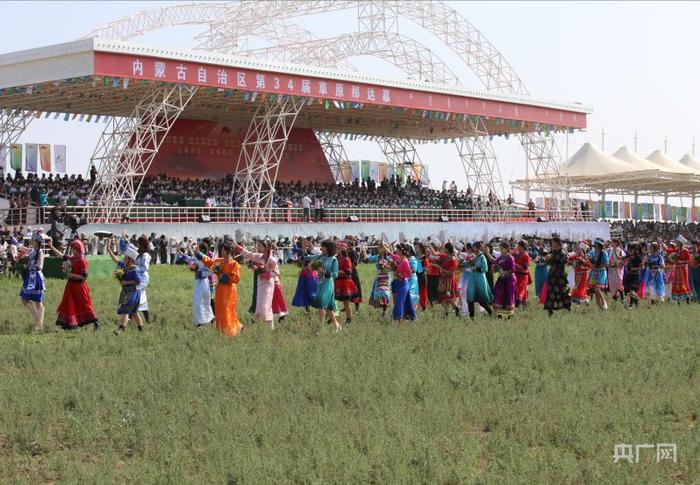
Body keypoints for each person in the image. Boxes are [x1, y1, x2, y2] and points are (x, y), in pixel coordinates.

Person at [47, 239, 99, 330]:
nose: (72, 250)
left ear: (78, 249)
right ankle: (69, 324)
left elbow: (84, 277)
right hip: (70, 286)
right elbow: (62, 256)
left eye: (73, 249)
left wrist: (71, 274)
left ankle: (96, 323)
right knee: (68, 303)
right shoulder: (73, 258)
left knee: (84, 304)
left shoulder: (82, 260)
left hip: (79, 287)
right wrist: (52, 247)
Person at [199, 241, 242, 336]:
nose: (221, 252)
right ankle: (221, 331)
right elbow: (210, 262)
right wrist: (200, 255)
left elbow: (236, 278)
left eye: (222, 250)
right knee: (220, 310)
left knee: (227, 310)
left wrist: (223, 276)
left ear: (227, 251)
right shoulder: (220, 261)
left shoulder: (234, 264)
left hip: (229, 291)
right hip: (220, 290)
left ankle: (230, 331)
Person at [237, 240, 280, 329]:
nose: (258, 247)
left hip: (268, 284)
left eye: (260, 246)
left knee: (265, 304)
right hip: (260, 284)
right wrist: (237, 246)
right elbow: (248, 254)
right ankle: (260, 325)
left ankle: (269, 326)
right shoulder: (259, 257)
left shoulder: (271, 259)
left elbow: (277, 273)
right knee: (260, 304)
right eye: (258, 245)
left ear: (266, 248)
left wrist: (267, 275)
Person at [177, 242, 215, 328]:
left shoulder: (206, 259)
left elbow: (211, 271)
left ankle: (207, 320)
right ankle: (202, 321)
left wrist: (201, 274)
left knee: (203, 302)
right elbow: (187, 258)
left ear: (201, 250)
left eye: (196, 247)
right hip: (197, 283)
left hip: (204, 283)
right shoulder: (195, 258)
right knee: (197, 302)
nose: (194, 248)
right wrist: (179, 251)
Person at [307, 240, 341, 331]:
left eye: (323, 247)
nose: (321, 249)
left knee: (322, 303)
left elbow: (335, 274)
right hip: (319, 280)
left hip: (328, 283)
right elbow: (309, 258)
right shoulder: (320, 257)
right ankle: (336, 325)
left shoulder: (334, 260)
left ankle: (320, 328)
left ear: (328, 248)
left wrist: (324, 271)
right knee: (328, 307)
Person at [114, 245, 144, 335]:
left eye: (125, 258)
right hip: (130, 293)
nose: (123, 259)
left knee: (126, 312)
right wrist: (108, 248)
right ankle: (141, 331)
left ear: (130, 260)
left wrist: (125, 283)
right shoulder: (125, 266)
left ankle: (121, 330)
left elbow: (138, 281)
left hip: (132, 293)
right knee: (134, 313)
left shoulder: (135, 270)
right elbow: (116, 260)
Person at [18, 231, 46, 330]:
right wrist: (13, 240)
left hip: (36, 277)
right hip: (30, 277)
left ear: (37, 241)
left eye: (33, 240)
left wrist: (29, 266)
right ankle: (38, 321)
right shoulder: (32, 250)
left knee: (39, 302)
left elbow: (40, 266)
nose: (31, 241)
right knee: (24, 299)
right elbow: (23, 248)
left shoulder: (40, 252)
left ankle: (39, 325)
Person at [543, 237, 572, 315]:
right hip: (552, 275)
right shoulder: (553, 252)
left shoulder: (562, 252)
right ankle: (550, 310)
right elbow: (550, 261)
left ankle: (568, 307)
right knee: (551, 292)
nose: (552, 244)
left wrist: (551, 260)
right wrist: (547, 260)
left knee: (563, 292)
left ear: (557, 243)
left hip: (560, 276)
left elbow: (561, 263)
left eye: (553, 242)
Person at [335, 245, 361, 325]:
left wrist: (336, 272)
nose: (337, 249)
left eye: (338, 248)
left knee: (346, 302)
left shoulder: (346, 259)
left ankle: (349, 320)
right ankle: (332, 316)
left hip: (345, 283)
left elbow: (348, 271)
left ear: (342, 249)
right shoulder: (336, 258)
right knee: (334, 300)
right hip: (338, 282)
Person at [390, 244, 417, 321]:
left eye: (398, 249)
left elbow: (409, 273)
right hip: (397, 283)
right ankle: (411, 317)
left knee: (399, 302)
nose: (396, 250)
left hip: (403, 284)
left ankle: (398, 318)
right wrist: (382, 245)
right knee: (407, 302)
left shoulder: (405, 261)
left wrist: (399, 275)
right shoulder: (398, 258)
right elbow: (390, 254)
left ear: (402, 251)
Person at [467, 241, 493, 319]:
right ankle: (471, 317)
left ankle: (491, 312)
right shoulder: (475, 257)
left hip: (480, 280)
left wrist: (476, 268)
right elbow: (470, 265)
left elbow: (485, 269)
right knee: (470, 297)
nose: (473, 248)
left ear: (478, 248)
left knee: (482, 300)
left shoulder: (482, 257)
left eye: (474, 247)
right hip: (473, 279)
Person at [291, 238, 318, 311]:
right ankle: (307, 305)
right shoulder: (300, 250)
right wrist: (294, 242)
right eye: (303, 242)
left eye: (305, 242)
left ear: (309, 243)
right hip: (303, 272)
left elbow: (310, 259)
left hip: (311, 273)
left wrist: (305, 249)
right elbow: (295, 249)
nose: (303, 244)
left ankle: (318, 303)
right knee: (303, 289)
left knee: (311, 289)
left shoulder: (312, 251)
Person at [367, 243, 392, 317]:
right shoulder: (377, 257)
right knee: (379, 292)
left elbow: (392, 265)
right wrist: (363, 250)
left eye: (380, 247)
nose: (378, 249)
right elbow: (367, 259)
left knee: (384, 292)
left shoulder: (388, 258)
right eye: (379, 247)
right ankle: (381, 307)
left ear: (384, 248)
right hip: (378, 277)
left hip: (386, 277)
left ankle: (385, 310)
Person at [493, 242, 516, 319]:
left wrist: (505, 273)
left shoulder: (510, 258)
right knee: (498, 294)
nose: (501, 250)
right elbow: (495, 264)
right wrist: (496, 268)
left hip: (509, 279)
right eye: (500, 249)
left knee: (509, 296)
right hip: (501, 279)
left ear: (506, 249)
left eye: (502, 248)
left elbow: (512, 269)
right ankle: (499, 315)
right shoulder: (500, 257)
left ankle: (509, 315)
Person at [436, 242, 459, 316]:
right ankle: (446, 313)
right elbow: (436, 258)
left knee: (447, 296)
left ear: (448, 249)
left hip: (449, 280)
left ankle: (456, 307)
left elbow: (451, 272)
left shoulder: (453, 259)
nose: (443, 249)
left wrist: (442, 269)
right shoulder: (443, 257)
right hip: (442, 279)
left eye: (445, 248)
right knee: (443, 297)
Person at [669, 236, 692, 304]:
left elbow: (689, 260)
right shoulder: (677, 250)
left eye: (677, 242)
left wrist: (681, 262)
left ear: (681, 243)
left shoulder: (685, 250)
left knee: (684, 283)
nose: (676, 243)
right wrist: (673, 260)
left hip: (683, 269)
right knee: (676, 283)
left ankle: (687, 298)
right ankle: (678, 299)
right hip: (676, 268)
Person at [588, 239, 609, 310]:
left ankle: (603, 301)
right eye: (595, 242)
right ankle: (601, 309)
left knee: (597, 289)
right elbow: (586, 256)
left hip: (601, 273)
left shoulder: (604, 253)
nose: (595, 244)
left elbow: (606, 263)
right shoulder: (593, 251)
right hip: (594, 273)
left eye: (597, 243)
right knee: (596, 293)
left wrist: (599, 266)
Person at [623, 243, 643, 308]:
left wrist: (634, 268)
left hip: (635, 276)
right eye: (630, 250)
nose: (630, 251)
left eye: (631, 250)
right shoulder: (629, 258)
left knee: (632, 290)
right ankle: (636, 304)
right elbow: (625, 263)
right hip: (629, 275)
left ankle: (631, 305)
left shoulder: (639, 258)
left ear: (636, 250)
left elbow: (642, 267)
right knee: (631, 292)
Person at [513, 241, 531, 309]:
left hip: (523, 276)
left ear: (522, 247)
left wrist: (514, 264)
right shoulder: (518, 254)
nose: (517, 247)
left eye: (519, 246)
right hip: (516, 275)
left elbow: (524, 267)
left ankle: (517, 305)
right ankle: (524, 305)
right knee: (518, 290)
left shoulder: (526, 255)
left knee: (520, 290)